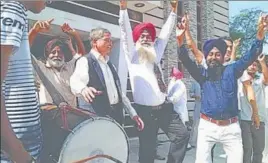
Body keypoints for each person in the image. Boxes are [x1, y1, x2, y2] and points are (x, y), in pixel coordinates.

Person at [176, 13, 267, 163]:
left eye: (218, 54)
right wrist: (180, 41)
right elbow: (186, 59)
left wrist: (260, 33)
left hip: (231, 128)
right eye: (210, 54)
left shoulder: (232, 70)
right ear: (206, 57)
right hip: (207, 127)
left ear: (223, 56)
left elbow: (250, 56)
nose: (213, 57)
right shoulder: (201, 74)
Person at [119, 1, 190, 163]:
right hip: (145, 112)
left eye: (149, 36)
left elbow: (164, 35)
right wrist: (123, 10)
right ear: (137, 39)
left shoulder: (155, 53)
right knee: (147, 150)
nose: (146, 38)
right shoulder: (132, 55)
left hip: (164, 108)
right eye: (142, 36)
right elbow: (124, 33)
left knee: (182, 135)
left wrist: (173, 11)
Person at [70, 27, 144, 130]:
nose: (110, 43)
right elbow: (75, 81)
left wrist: (133, 114)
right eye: (106, 40)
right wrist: (83, 89)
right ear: (95, 42)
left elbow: (120, 94)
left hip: (115, 118)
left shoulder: (110, 65)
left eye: (111, 40)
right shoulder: (85, 61)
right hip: (96, 119)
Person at [1, 1, 47, 162]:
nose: (49, 2)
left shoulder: (13, 10)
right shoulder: (13, 9)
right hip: (14, 148)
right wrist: (16, 149)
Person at [29, 20, 86, 108]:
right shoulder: (41, 68)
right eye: (53, 52)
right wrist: (34, 31)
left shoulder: (70, 67)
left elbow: (81, 57)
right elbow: (25, 51)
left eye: (60, 52)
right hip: (50, 116)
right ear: (47, 54)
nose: (56, 55)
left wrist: (75, 35)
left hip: (72, 117)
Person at [239, 53, 268, 163]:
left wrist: (262, 62)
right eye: (250, 64)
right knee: (247, 149)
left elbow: (267, 78)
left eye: (255, 65)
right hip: (245, 120)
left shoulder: (259, 80)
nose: (252, 66)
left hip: (260, 120)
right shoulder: (240, 79)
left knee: (258, 150)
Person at [189, 80, 201, 148]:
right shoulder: (195, 82)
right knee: (196, 125)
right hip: (199, 106)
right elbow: (191, 93)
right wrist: (196, 96)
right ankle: (193, 142)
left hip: (208, 108)